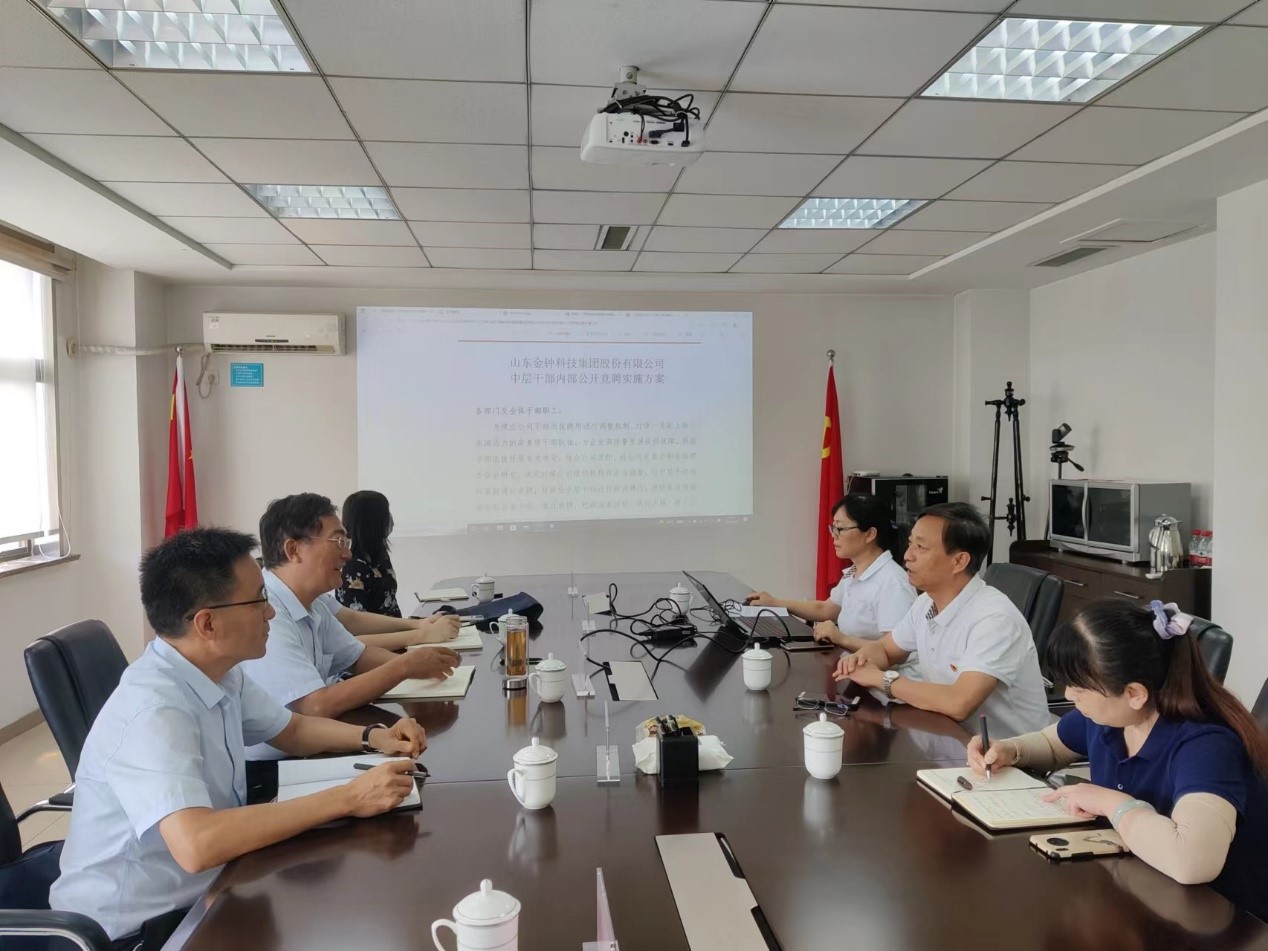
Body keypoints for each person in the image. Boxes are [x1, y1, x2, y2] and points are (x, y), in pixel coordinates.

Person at [49, 527, 427, 949]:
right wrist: (349, 798)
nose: (271, 613)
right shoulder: (154, 710)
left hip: (208, 893)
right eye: (258, 600)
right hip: (134, 934)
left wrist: (374, 737)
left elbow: (292, 730)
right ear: (207, 623)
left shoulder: (218, 673)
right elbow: (197, 844)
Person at [968, 598, 1267, 921]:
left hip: (1222, 917)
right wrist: (1010, 750)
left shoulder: (1205, 744)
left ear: (1134, 694)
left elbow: (1192, 861)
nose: (1068, 695)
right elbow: (1053, 745)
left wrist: (1112, 804)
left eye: (1079, 686)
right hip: (1141, 890)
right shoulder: (1112, 716)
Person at [241, 493, 461, 757]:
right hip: (278, 768)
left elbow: (357, 657)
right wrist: (405, 666)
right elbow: (314, 706)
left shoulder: (312, 602)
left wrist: (424, 665)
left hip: (316, 747)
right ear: (294, 550)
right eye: (338, 541)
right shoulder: (269, 613)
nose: (347, 554)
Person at [833, 501, 1049, 737]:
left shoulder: (994, 619)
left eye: (921, 547)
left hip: (1006, 753)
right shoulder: (926, 602)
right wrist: (860, 659)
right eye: (910, 543)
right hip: (948, 736)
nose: (907, 556)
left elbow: (959, 703)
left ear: (959, 561)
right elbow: (886, 649)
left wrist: (883, 680)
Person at [745, 493, 916, 653]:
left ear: (870, 534)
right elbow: (826, 608)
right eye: (833, 528)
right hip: (853, 664)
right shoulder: (856, 571)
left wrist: (841, 638)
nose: (834, 536)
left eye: (840, 529)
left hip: (884, 674)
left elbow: (896, 650)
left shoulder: (893, 582)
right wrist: (775, 602)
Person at [333, 489, 460, 650]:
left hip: (399, 640)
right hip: (377, 650)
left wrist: (420, 624)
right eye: (386, 513)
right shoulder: (352, 568)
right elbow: (356, 633)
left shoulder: (379, 557)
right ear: (373, 521)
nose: (391, 520)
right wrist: (420, 632)